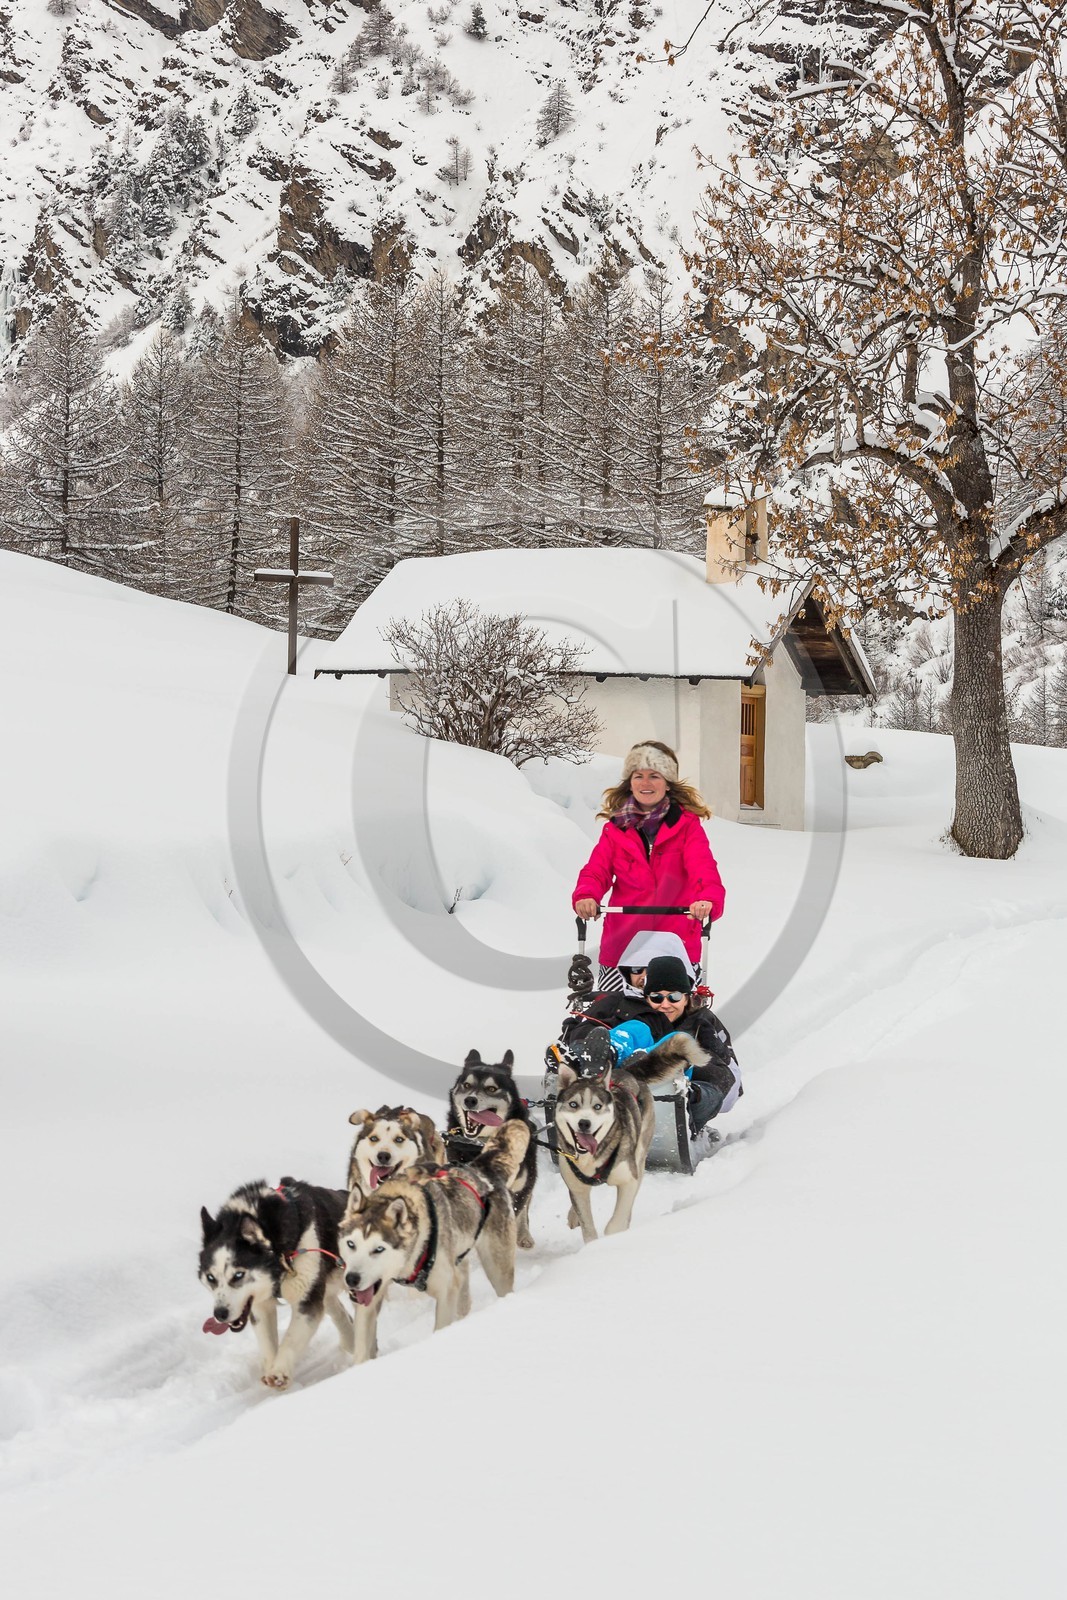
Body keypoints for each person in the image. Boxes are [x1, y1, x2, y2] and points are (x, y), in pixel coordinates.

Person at [572, 741, 725, 991]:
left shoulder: (687, 827)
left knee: (674, 1014)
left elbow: (704, 869)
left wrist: (707, 899)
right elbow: (596, 870)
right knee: (613, 1014)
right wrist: (586, 895)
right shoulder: (615, 829)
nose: (646, 783)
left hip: (676, 943)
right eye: (639, 776)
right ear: (629, 782)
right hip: (623, 944)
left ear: (667, 782)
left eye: (654, 776)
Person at [642, 951, 742, 1149]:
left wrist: (710, 1054)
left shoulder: (702, 1021)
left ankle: (686, 1102)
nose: (665, 1005)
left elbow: (731, 1084)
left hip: (697, 1093)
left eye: (674, 997)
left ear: (687, 997)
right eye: (656, 997)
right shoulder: (638, 1018)